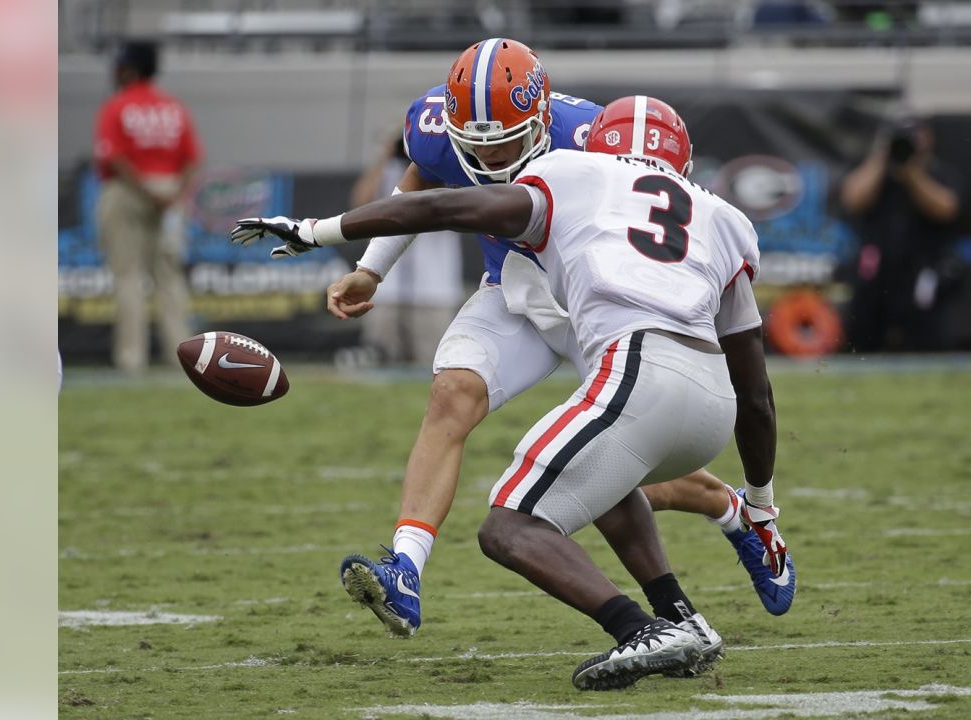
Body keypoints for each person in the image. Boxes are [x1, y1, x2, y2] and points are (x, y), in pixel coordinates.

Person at [232, 96, 793, 688]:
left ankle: (646, 620)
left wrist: (316, 230)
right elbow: (756, 394)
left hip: (625, 353)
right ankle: (688, 597)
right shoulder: (724, 218)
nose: (489, 150)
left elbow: (449, 205)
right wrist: (763, 498)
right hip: (707, 393)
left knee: (511, 523)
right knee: (584, 464)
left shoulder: (573, 166)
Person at [93, 40, 201, 375]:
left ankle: (131, 360)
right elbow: (193, 159)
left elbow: (114, 157)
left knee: (128, 278)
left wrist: (146, 192)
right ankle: (181, 357)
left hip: (130, 192)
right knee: (169, 280)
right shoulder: (173, 107)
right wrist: (173, 195)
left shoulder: (118, 106)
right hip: (170, 192)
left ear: (129, 69)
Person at [839, 115, 962, 352]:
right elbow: (852, 200)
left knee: (924, 339)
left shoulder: (937, 172)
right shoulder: (875, 173)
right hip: (876, 268)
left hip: (922, 269)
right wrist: (881, 158)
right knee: (863, 336)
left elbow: (947, 209)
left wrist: (912, 173)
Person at [350, 136, 464, 367]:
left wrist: (431, 158)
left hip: (434, 291)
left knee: (436, 366)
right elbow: (359, 205)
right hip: (386, 290)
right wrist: (384, 157)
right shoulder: (388, 171)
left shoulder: (445, 170)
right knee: (379, 363)